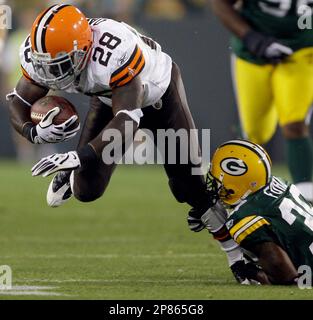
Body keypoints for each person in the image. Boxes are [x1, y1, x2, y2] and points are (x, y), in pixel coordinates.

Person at [7, 4, 254, 282]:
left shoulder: (113, 54)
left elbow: (127, 121)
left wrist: (79, 156)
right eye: (46, 64)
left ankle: (237, 256)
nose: (51, 74)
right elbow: (18, 101)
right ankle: (71, 175)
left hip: (158, 96)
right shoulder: (46, 53)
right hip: (107, 98)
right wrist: (33, 133)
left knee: (189, 186)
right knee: (86, 190)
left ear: (84, 51)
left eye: (60, 64)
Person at [210, 0, 313, 202]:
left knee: (295, 122)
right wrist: (251, 37)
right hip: (253, 54)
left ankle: (305, 196)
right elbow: (220, 3)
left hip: (301, 51)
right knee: (255, 132)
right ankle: (243, 193)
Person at [208, 139, 313, 285]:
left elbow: (282, 271)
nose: (214, 184)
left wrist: (255, 273)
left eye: (217, 180)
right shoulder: (278, 183)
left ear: (235, 183)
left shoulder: (244, 218)